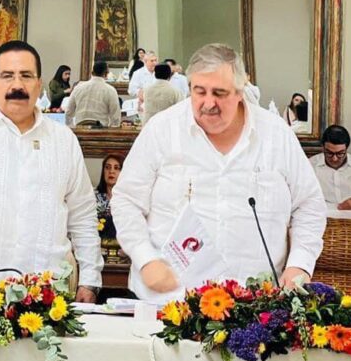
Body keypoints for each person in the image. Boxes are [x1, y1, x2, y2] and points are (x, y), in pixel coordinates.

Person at [111, 43, 325, 300]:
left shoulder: (276, 135)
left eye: (219, 93)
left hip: (253, 306)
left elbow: (309, 205)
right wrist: (145, 259)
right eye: (199, 91)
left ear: (240, 91)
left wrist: (299, 264)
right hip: (168, 300)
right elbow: (126, 201)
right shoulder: (162, 129)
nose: (208, 103)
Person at [0, 40, 103, 302]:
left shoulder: (63, 140)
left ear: (39, 84)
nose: (17, 85)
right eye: (7, 76)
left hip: (46, 299)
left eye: (26, 76)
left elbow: (83, 214)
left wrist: (90, 280)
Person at [65, 61, 121, 128]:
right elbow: (115, 117)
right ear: (106, 74)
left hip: (80, 130)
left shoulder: (78, 88)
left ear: (92, 73)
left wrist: (72, 129)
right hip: (101, 132)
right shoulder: (110, 90)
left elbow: (68, 112)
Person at [95, 153, 124, 239]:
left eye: (116, 168)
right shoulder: (92, 199)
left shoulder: (130, 199)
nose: (111, 171)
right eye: (107, 167)